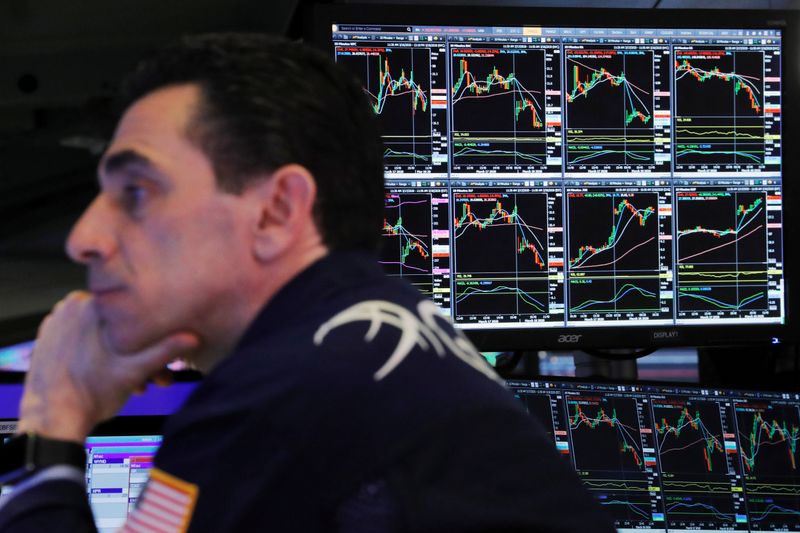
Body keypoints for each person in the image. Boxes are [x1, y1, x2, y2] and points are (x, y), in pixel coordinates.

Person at [0, 34, 615, 532]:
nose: (82, 237)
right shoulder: (380, 329)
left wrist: (52, 425)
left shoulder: (275, 402)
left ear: (277, 211)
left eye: (136, 192)